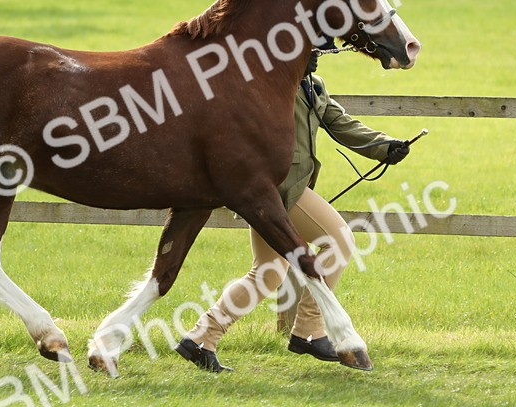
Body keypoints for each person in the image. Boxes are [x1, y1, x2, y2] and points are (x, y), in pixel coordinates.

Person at [175, 47, 409, 372]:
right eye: (307, 52)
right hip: (281, 186)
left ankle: (201, 337)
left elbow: (339, 122)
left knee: (268, 272)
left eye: (316, 53)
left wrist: (384, 146)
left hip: (279, 189)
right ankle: (310, 331)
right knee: (339, 240)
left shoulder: (313, 85)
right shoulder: (265, 84)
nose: (315, 57)